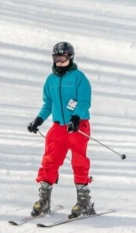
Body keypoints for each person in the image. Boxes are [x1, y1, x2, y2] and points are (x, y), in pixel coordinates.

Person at [27, 41, 96, 219]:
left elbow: (84, 101)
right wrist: (39, 119)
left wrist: (76, 117)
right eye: (57, 57)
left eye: (63, 58)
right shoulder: (50, 80)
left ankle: (84, 201)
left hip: (77, 126)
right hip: (58, 127)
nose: (59, 61)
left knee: (79, 161)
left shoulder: (79, 77)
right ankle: (44, 199)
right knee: (49, 160)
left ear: (70, 58)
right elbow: (48, 103)